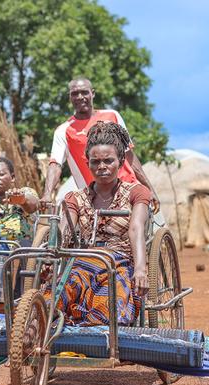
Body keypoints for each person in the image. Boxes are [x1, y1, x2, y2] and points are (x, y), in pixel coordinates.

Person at [50, 121, 151, 326]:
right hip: (83, 262)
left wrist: (141, 269)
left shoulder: (136, 193)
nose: (102, 167)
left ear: (121, 161)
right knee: (54, 297)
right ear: (87, 162)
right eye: (95, 162)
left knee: (108, 309)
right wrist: (53, 251)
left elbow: (136, 229)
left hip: (120, 264)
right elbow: (66, 229)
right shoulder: (75, 197)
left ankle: (92, 331)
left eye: (108, 161)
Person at [41, 78, 157, 208]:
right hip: (96, 199)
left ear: (93, 93)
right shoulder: (63, 131)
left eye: (84, 92)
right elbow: (55, 164)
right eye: (74, 93)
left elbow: (129, 155)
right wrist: (47, 194)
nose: (80, 97)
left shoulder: (112, 116)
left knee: (140, 226)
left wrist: (149, 188)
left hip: (128, 189)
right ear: (70, 97)